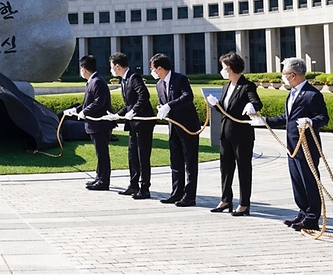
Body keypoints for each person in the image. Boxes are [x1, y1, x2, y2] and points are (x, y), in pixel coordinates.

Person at [263, 57, 330, 231]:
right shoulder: (291, 93)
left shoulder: (312, 94)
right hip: (292, 147)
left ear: (293, 75)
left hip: (307, 147)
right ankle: (303, 212)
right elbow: (287, 118)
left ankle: (312, 218)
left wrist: (310, 121)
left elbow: (323, 118)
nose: (282, 77)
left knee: (309, 182)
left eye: (284, 74)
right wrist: (264, 120)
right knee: (297, 182)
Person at [205, 52, 262, 217]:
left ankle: (244, 204)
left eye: (224, 67)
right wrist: (215, 104)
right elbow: (225, 109)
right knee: (225, 169)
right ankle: (225, 200)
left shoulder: (247, 86)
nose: (222, 70)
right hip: (226, 134)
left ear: (230, 68)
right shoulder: (226, 86)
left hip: (242, 135)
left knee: (244, 170)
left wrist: (251, 107)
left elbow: (256, 103)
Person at [150, 52, 200, 207]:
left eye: (153, 69)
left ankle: (189, 196)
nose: (152, 72)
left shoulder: (180, 79)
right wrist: (161, 106)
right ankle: (176, 193)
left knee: (189, 162)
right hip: (173, 127)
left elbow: (187, 97)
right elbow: (162, 101)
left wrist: (169, 105)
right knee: (175, 161)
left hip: (187, 126)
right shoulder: (159, 84)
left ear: (159, 68)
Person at [65, 55, 115, 191]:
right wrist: (75, 110)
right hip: (94, 125)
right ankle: (99, 178)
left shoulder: (97, 81)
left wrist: (85, 112)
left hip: (100, 124)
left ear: (84, 69)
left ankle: (103, 181)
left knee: (102, 153)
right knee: (99, 153)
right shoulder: (92, 81)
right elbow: (87, 103)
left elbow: (99, 102)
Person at [111, 52, 155, 200]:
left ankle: (145, 188)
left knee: (143, 155)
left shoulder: (133, 77)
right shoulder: (124, 80)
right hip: (133, 124)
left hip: (143, 122)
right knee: (132, 155)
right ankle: (133, 184)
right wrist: (117, 115)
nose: (111, 69)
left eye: (112, 66)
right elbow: (128, 104)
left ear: (117, 66)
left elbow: (144, 96)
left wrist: (134, 111)